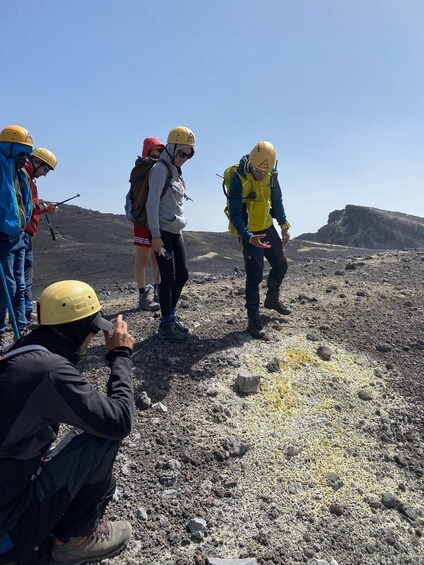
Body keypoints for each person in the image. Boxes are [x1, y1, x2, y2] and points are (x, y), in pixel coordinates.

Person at [0, 280, 135, 564]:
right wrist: (120, 356)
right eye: (94, 328)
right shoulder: (49, 372)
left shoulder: (21, 354)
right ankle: (73, 541)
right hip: (6, 538)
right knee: (100, 438)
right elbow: (119, 419)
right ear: (82, 330)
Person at [228, 140, 291, 339]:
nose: (261, 175)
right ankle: (253, 321)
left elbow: (277, 201)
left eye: (265, 172)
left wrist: (283, 225)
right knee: (254, 277)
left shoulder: (271, 175)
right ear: (252, 163)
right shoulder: (239, 178)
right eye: (258, 171)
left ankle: (272, 300)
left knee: (281, 265)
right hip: (249, 232)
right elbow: (235, 215)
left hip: (267, 226)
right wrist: (248, 237)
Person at [146, 126, 195, 342]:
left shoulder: (176, 172)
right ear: (172, 147)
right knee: (168, 277)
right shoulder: (160, 169)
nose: (185, 158)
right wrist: (155, 235)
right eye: (182, 153)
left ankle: (171, 317)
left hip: (175, 233)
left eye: (189, 154)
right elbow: (151, 203)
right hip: (162, 234)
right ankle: (166, 325)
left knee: (182, 274)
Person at [0, 125, 34, 342]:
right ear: (9, 147)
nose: (26, 159)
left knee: (19, 284)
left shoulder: (18, 172)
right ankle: (2, 331)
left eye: (28, 154)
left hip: (18, 236)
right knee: (7, 286)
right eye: (22, 153)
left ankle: (20, 327)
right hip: (3, 238)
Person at [24, 147, 59, 323]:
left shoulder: (27, 179)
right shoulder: (25, 179)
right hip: (21, 235)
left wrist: (43, 208)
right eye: (45, 169)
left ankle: (23, 313)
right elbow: (27, 208)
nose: (45, 174)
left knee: (23, 277)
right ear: (37, 162)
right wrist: (45, 209)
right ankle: (22, 315)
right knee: (22, 278)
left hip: (24, 235)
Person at [131, 137, 165, 311]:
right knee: (144, 258)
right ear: (149, 151)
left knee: (154, 257)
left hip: (148, 219)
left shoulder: (141, 168)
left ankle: (155, 291)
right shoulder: (147, 167)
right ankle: (144, 296)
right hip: (144, 220)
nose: (160, 154)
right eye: (157, 150)